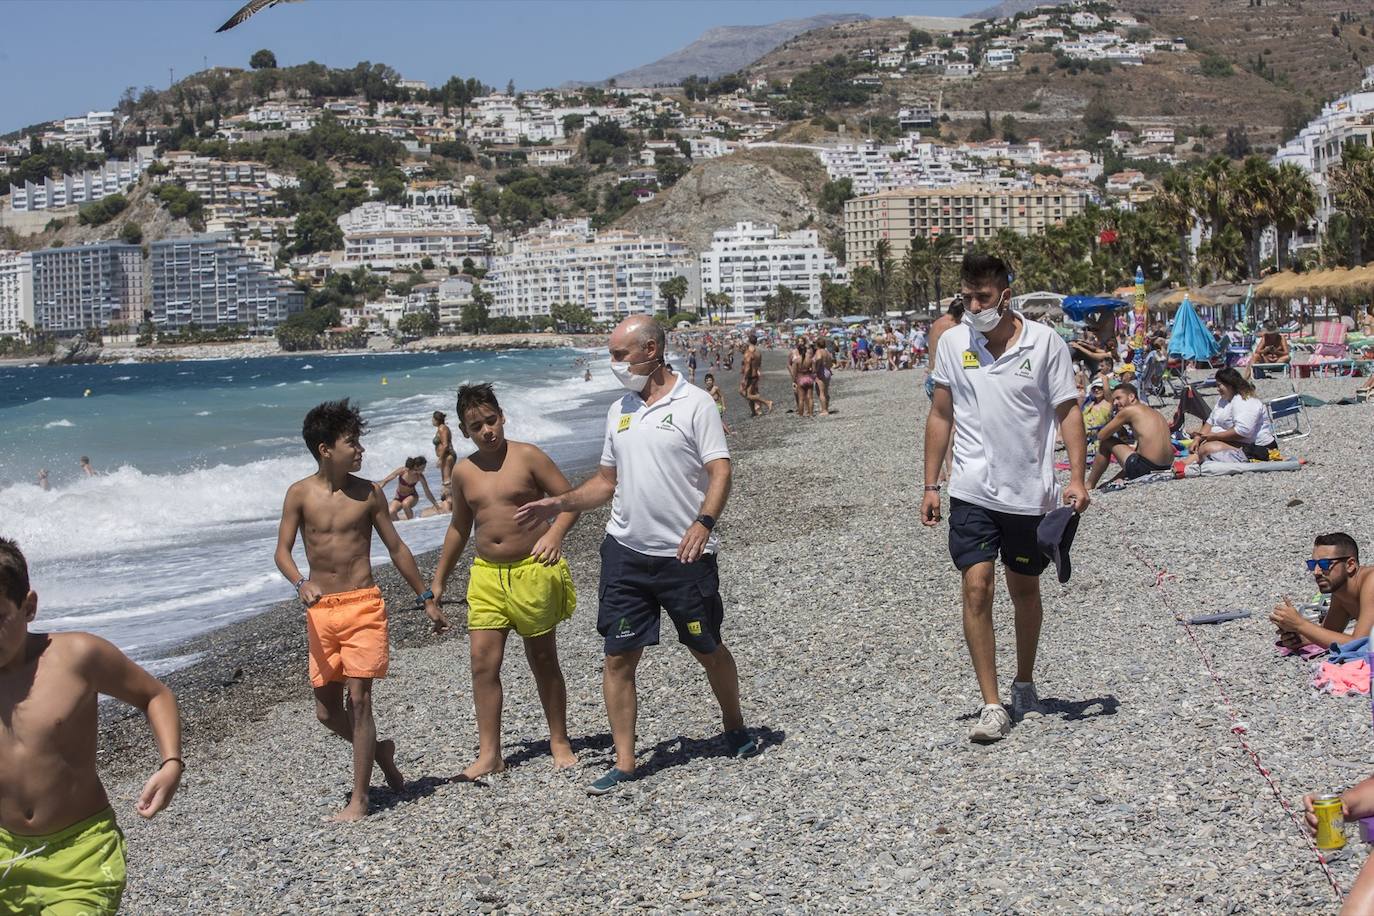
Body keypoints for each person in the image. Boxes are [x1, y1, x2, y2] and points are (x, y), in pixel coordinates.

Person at [515, 316, 757, 796]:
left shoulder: (695, 404)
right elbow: (606, 482)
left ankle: (734, 723)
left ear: (651, 349)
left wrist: (703, 523)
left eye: (620, 354)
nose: (614, 363)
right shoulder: (619, 411)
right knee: (618, 658)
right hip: (624, 553)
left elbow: (721, 471)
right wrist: (560, 502)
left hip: (685, 556)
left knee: (706, 648)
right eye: (612, 354)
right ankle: (626, 763)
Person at [922, 252, 1090, 743]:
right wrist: (931, 484)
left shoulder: (1044, 344)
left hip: (1029, 492)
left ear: (1005, 295)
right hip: (971, 488)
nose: (975, 305)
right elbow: (940, 416)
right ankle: (991, 704)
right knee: (977, 587)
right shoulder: (953, 344)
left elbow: (1068, 412)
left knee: (1024, 589)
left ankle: (1024, 681)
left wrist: (1077, 478)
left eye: (984, 297)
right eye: (967, 297)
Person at [274, 399, 447, 823]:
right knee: (326, 711)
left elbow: (396, 547)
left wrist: (426, 597)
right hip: (321, 610)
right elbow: (281, 551)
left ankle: (361, 799)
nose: (360, 450)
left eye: (359, 442)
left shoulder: (368, 493)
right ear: (324, 449)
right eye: (351, 442)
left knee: (359, 700)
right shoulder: (300, 493)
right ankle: (379, 752)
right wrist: (301, 582)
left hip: (364, 605)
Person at [0, 536, 183, 913]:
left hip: (81, 853)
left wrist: (171, 764)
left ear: (28, 606)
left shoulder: (76, 656)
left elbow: (154, 695)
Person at [430, 383, 580, 780]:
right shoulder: (463, 471)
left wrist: (554, 534)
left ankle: (559, 739)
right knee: (482, 663)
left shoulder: (528, 457)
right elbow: (459, 527)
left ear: (503, 416)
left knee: (543, 658)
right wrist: (438, 581)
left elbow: (569, 500)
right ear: (464, 431)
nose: (486, 431)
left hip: (532, 569)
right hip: (487, 576)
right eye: (476, 426)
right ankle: (490, 753)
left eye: (491, 421)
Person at [1270, 532, 1373, 650]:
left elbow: (1359, 644)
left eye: (1325, 564)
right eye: (1313, 564)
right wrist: (1299, 637)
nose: (1316, 571)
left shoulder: (1371, 582)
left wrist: (1300, 624)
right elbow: (1329, 632)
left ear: (1350, 565)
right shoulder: (1341, 592)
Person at [1086, 383, 1174, 488]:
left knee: (1106, 442)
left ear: (1131, 397)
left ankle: (1089, 485)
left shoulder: (1129, 411)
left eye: (1118, 398)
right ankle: (1112, 480)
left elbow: (1101, 435)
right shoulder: (1153, 412)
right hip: (1166, 467)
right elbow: (1139, 453)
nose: (1115, 403)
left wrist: (1116, 423)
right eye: (1114, 400)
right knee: (1136, 453)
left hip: (1146, 467)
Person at [1184, 367, 1279, 465]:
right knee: (1197, 447)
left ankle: (1185, 467)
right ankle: (1182, 467)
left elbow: (1243, 431)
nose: (1217, 389)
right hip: (1240, 442)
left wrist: (1215, 437)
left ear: (1229, 384)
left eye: (1219, 385)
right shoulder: (1223, 400)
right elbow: (1210, 421)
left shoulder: (1244, 401)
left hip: (1257, 447)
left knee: (1207, 448)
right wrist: (1198, 438)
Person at [739, 334, 773, 416]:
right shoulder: (758, 352)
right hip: (755, 375)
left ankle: (767, 402)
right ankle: (754, 411)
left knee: (745, 393)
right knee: (750, 393)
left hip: (750, 376)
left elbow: (747, 366)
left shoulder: (750, 351)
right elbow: (758, 365)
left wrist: (744, 378)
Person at [1081, 381, 1113, 459]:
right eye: (1094, 388)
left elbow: (1108, 392)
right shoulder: (1089, 404)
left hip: (1101, 438)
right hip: (1087, 438)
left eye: (1100, 388)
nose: (1096, 390)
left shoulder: (1107, 403)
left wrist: (1104, 378)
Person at [432, 411, 457, 498]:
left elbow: (445, 445)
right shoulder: (442, 428)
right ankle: (451, 502)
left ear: (436, 420)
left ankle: (450, 502)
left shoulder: (442, 428)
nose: (432, 421)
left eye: (433, 419)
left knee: (447, 481)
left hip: (447, 456)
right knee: (446, 480)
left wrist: (440, 459)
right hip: (446, 456)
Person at [813, 339, 834, 415]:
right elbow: (831, 363)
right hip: (828, 371)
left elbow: (818, 359)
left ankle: (824, 410)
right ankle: (826, 408)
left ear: (817, 345)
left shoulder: (819, 351)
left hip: (821, 371)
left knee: (821, 392)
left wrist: (816, 368)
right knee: (825, 391)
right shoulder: (827, 352)